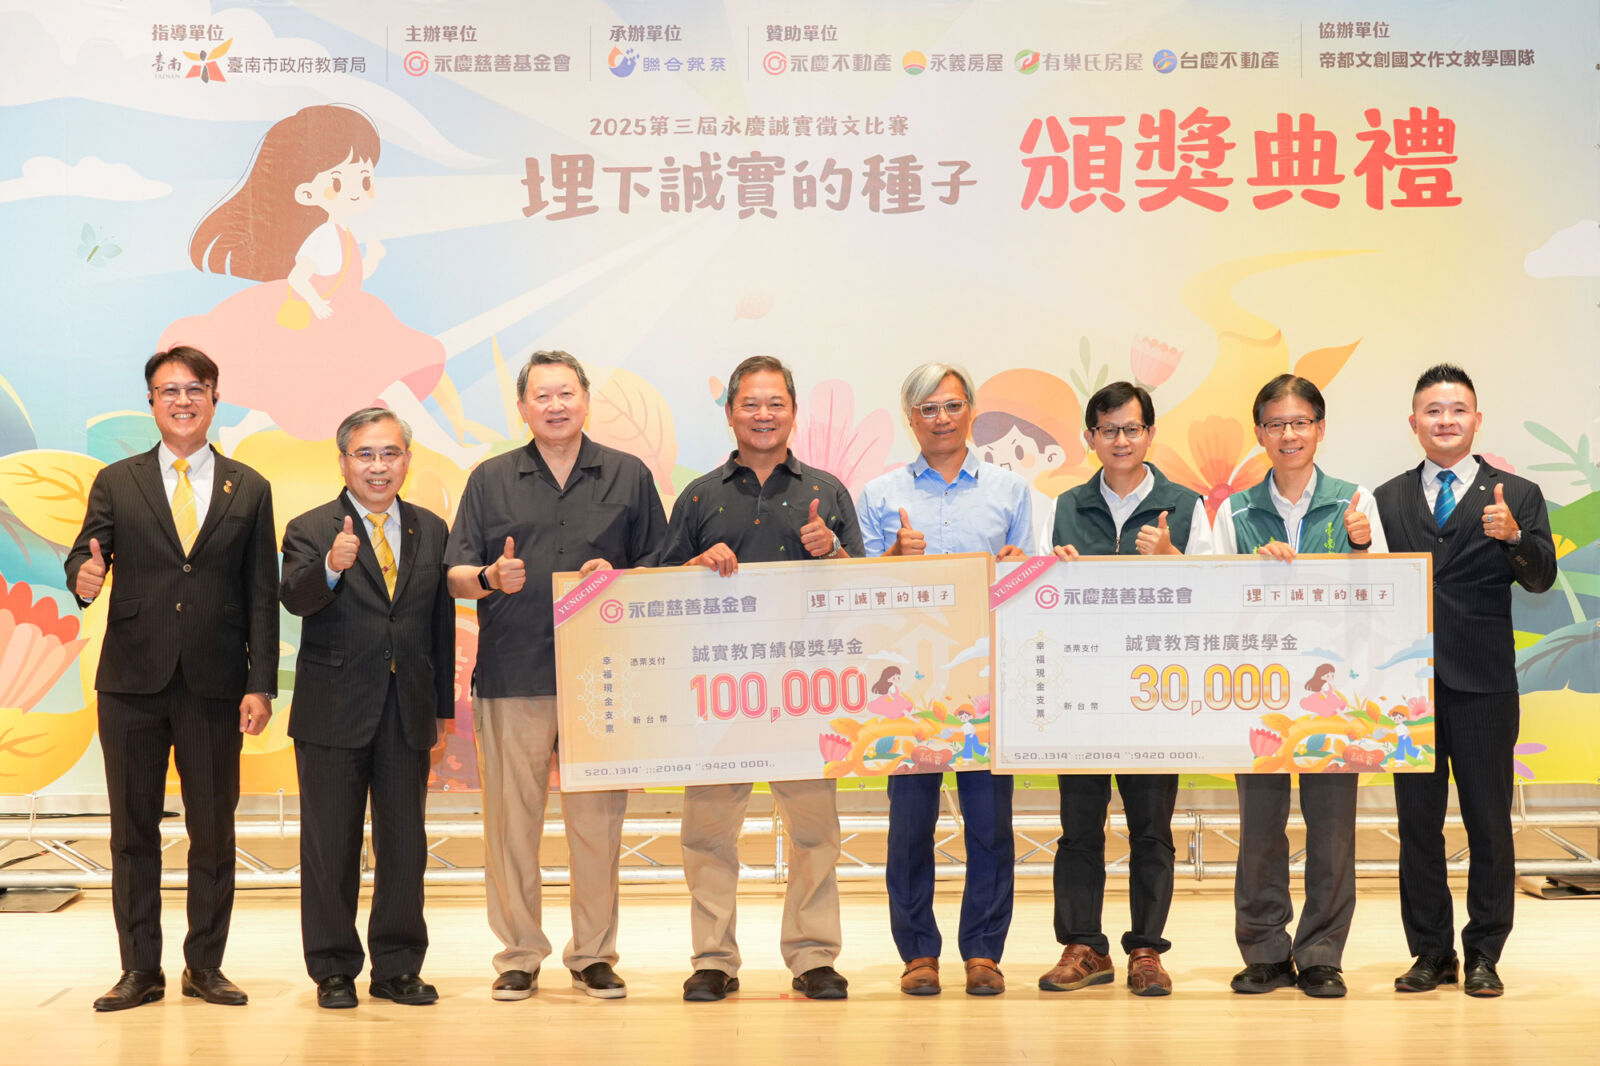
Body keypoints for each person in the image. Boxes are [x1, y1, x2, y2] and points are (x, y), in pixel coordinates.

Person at [445, 350, 666, 1001]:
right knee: (511, 824)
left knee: (597, 825)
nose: (555, 405)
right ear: (522, 408)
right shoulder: (490, 479)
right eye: (541, 396)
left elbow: (660, 565)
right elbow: (455, 573)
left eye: (565, 393)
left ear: (585, 399)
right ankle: (519, 953)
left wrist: (621, 578)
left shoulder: (628, 475)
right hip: (514, 672)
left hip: (602, 678)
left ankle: (593, 954)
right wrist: (490, 578)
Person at [65, 346, 278, 1011]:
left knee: (213, 830)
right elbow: (86, 554)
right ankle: (140, 970)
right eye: (168, 391)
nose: (182, 401)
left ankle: (204, 966)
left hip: (216, 683)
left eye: (194, 389)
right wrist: (83, 576)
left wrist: (261, 682)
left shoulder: (250, 486)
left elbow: (262, 594)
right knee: (132, 832)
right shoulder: (117, 480)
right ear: (152, 402)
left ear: (214, 398)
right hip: (131, 681)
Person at [660, 355, 863, 1003]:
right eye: (750, 403)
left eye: (775, 403)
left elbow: (863, 589)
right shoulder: (699, 495)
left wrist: (832, 551)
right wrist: (696, 564)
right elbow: (658, 590)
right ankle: (713, 959)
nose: (763, 415)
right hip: (719, 693)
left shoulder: (828, 491)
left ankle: (813, 957)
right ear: (729, 413)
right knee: (708, 834)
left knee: (815, 834)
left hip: (806, 690)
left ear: (794, 412)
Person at [1375, 364, 1556, 998]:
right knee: (1417, 826)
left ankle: (1484, 952)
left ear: (1477, 419)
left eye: (1457, 410)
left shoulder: (1518, 494)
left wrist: (1515, 538)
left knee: (1488, 824)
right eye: (1433, 410)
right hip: (1408, 690)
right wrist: (1358, 548)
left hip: (1483, 683)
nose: (1445, 420)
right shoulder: (1386, 499)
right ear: (1413, 422)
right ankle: (1431, 952)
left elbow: (1540, 578)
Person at [856, 362, 1033, 997]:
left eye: (952, 406)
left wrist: (1019, 565)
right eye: (927, 408)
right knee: (910, 827)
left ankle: (983, 951)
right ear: (910, 419)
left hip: (986, 681)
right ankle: (918, 953)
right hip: (908, 686)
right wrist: (892, 559)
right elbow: (861, 591)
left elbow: (1029, 580)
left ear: (971, 412)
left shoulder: (1011, 491)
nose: (941, 419)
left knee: (990, 824)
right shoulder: (879, 494)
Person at [1212, 374, 1387, 999]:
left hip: (1336, 694)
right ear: (1260, 433)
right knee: (1260, 827)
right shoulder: (1232, 512)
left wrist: (1361, 549)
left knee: (1332, 827)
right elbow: (1212, 600)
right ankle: (1264, 951)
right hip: (1259, 690)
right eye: (1276, 424)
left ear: (1320, 427)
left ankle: (1320, 954)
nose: (1289, 434)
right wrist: (1251, 572)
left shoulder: (1354, 503)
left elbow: (1382, 596)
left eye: (1301, 422)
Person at [1039, 380, 1212, 998]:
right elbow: (1027, 596)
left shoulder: (1186, 505)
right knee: (1078, 828)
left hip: (1152, 693)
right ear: (1090, 438)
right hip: (1080, 692)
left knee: (1151, 829)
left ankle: (1146, 949)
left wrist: (1172, 557)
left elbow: (1215, 598)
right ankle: (1084, 946)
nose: (1120, 440)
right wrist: (1046, 572)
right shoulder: (1062, 507)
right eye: (1107, 430)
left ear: (1150, 434)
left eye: (1131, 429)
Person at [279, 408, 454, 1009]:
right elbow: (295, 598)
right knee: (331, 845)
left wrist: (440, 706)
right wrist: (331, 567)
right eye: (366, 454)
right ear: (343, 462)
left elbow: (438, 623)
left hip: (407, 710)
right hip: (332, 711)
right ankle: (332, 969)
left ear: (407, 460)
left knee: (405, 844)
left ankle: (398, 967)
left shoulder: (431, 528)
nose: (379, 466)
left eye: (390, 453)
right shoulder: (310, 528)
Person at [161, 104, 460, 455]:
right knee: (351, 388)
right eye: (338, 181)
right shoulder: (322, 236)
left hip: (339, 324)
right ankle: (453, 452)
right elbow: (299, 276)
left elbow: (345, 277)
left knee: (289, 396)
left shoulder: (341, 232)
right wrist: (317, 304)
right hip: (318, 331)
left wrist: (372, 261)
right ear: (306, 193)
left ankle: (237, 432)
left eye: (365, 179)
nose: (356, 189)